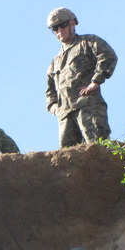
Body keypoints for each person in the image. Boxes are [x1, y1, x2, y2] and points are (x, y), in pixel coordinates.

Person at [45, 8, 117, 148]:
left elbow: (108, 56)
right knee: (69, 158)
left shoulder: (87, 42)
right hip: (65, 116)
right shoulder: (55, 63)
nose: (60, 30)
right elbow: (50, 93)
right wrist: (56, 108)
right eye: (55, 28)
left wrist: (96, 81)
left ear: (73, 23)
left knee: (98, 148)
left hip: (88, 107)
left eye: (63, 25)